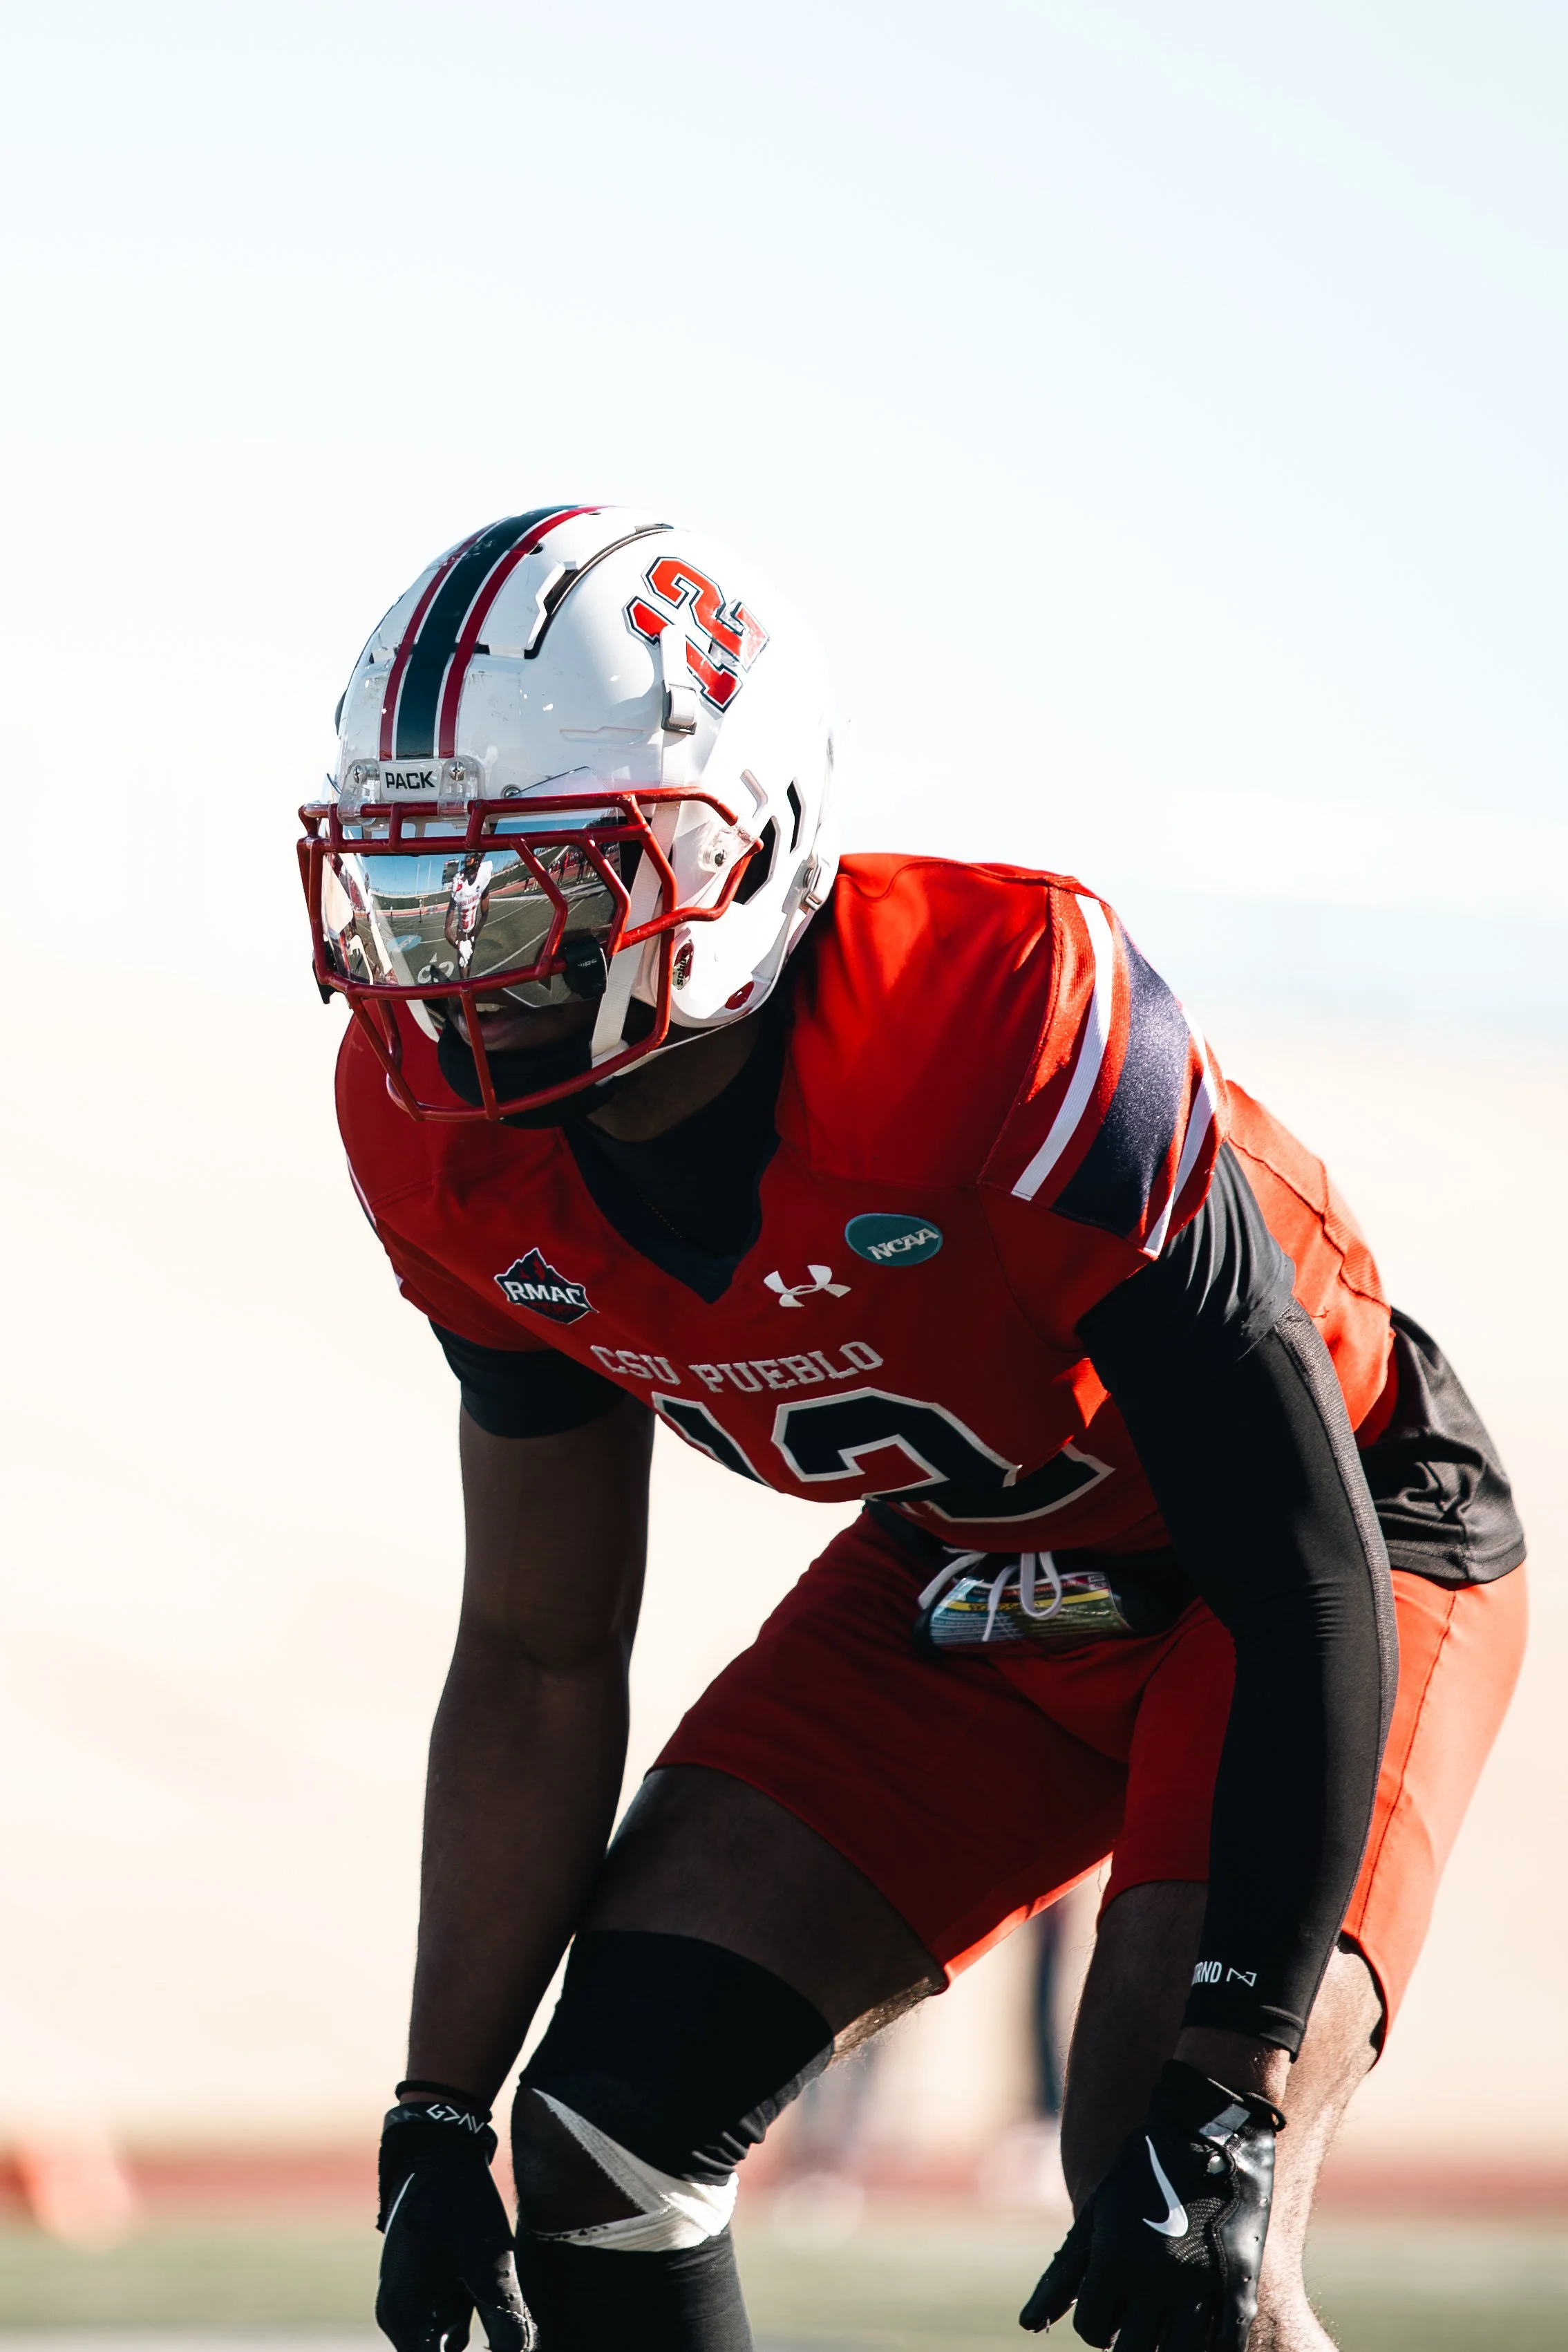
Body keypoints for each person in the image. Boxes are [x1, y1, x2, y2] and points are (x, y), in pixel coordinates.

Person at [301, 506, 1527, 2352]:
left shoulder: (1005, 1017)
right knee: (593, 2141)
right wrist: (436, 2111)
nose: (468, 962)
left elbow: (1288, 1568)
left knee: (1167, 2198)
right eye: (422, 892)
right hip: (990, 1559)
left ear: (749, 836)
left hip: (1317, 1542)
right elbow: (541, 1649)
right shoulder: (444, 1145)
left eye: (539, 884)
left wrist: (1230, 2078)